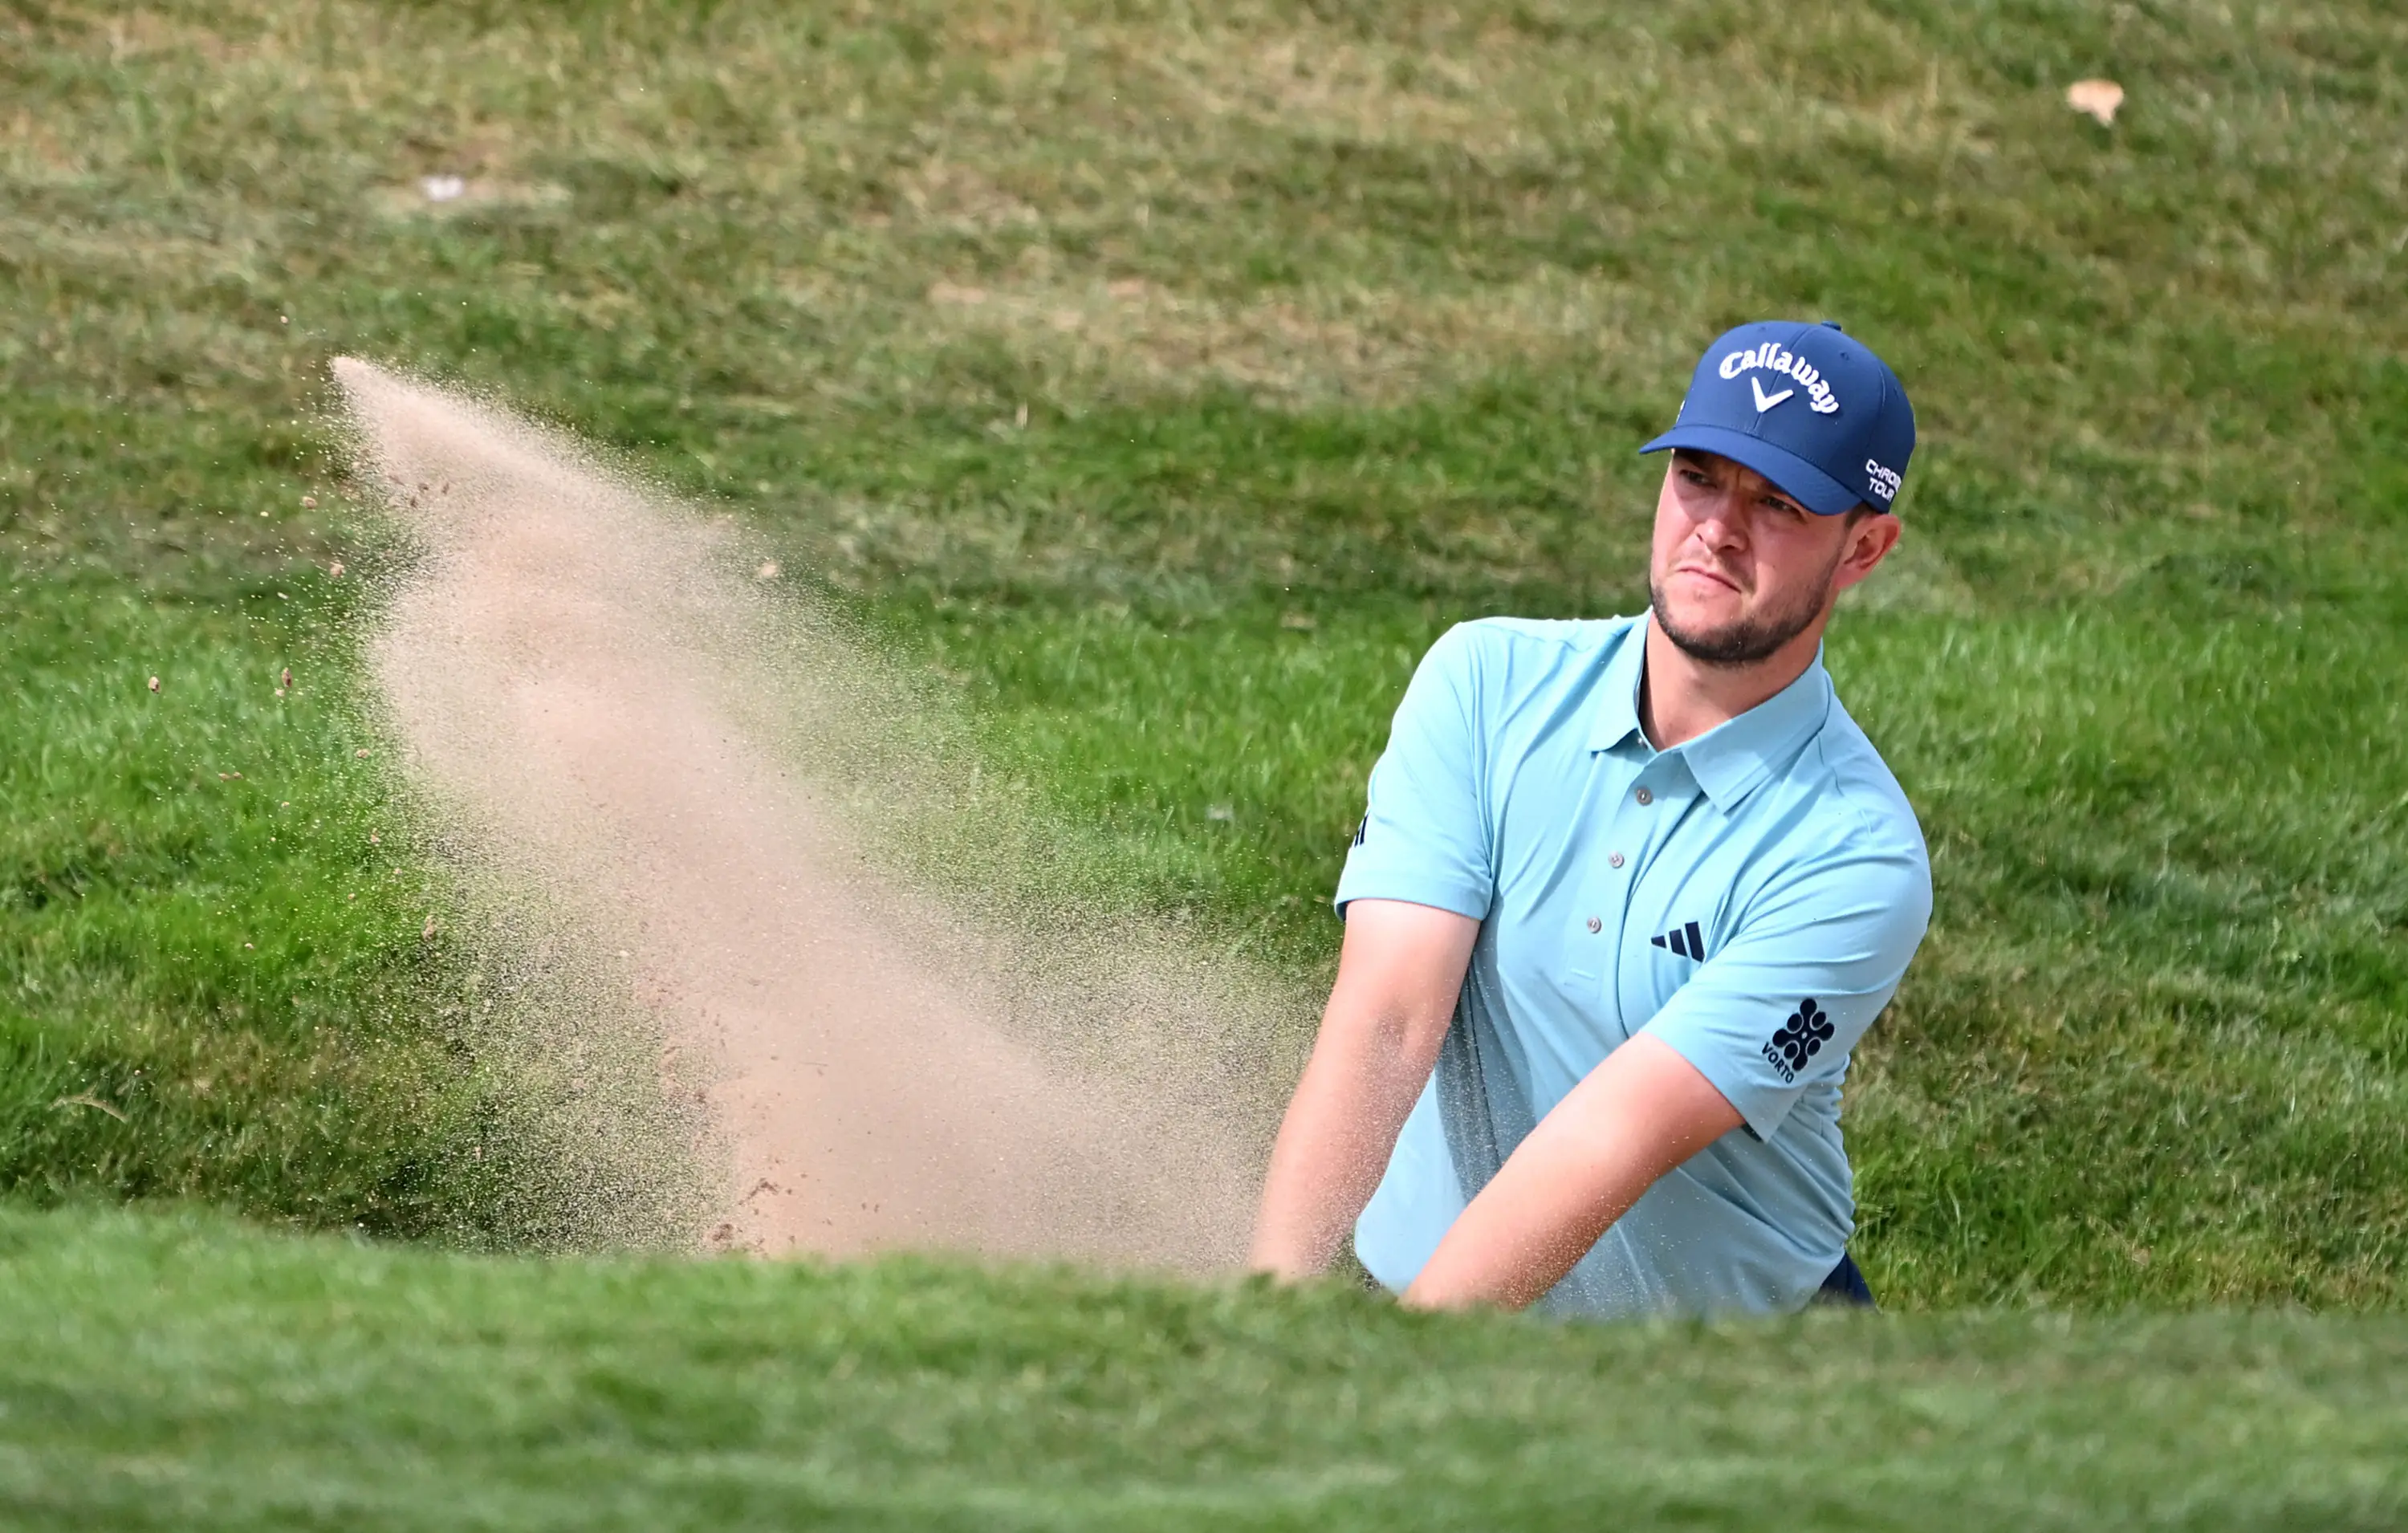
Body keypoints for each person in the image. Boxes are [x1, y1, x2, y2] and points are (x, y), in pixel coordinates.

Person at [1247, 320, 1931, 1318]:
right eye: (1698, 475)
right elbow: (1386, 1026)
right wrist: (1270, 1322)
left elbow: (1611, 1140)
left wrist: (1399, 1382)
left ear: (1863, 546)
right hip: (1437, 1307)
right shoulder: (1484, 682)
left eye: (1777, 503)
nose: (1719, 528)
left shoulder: (1852, 852)